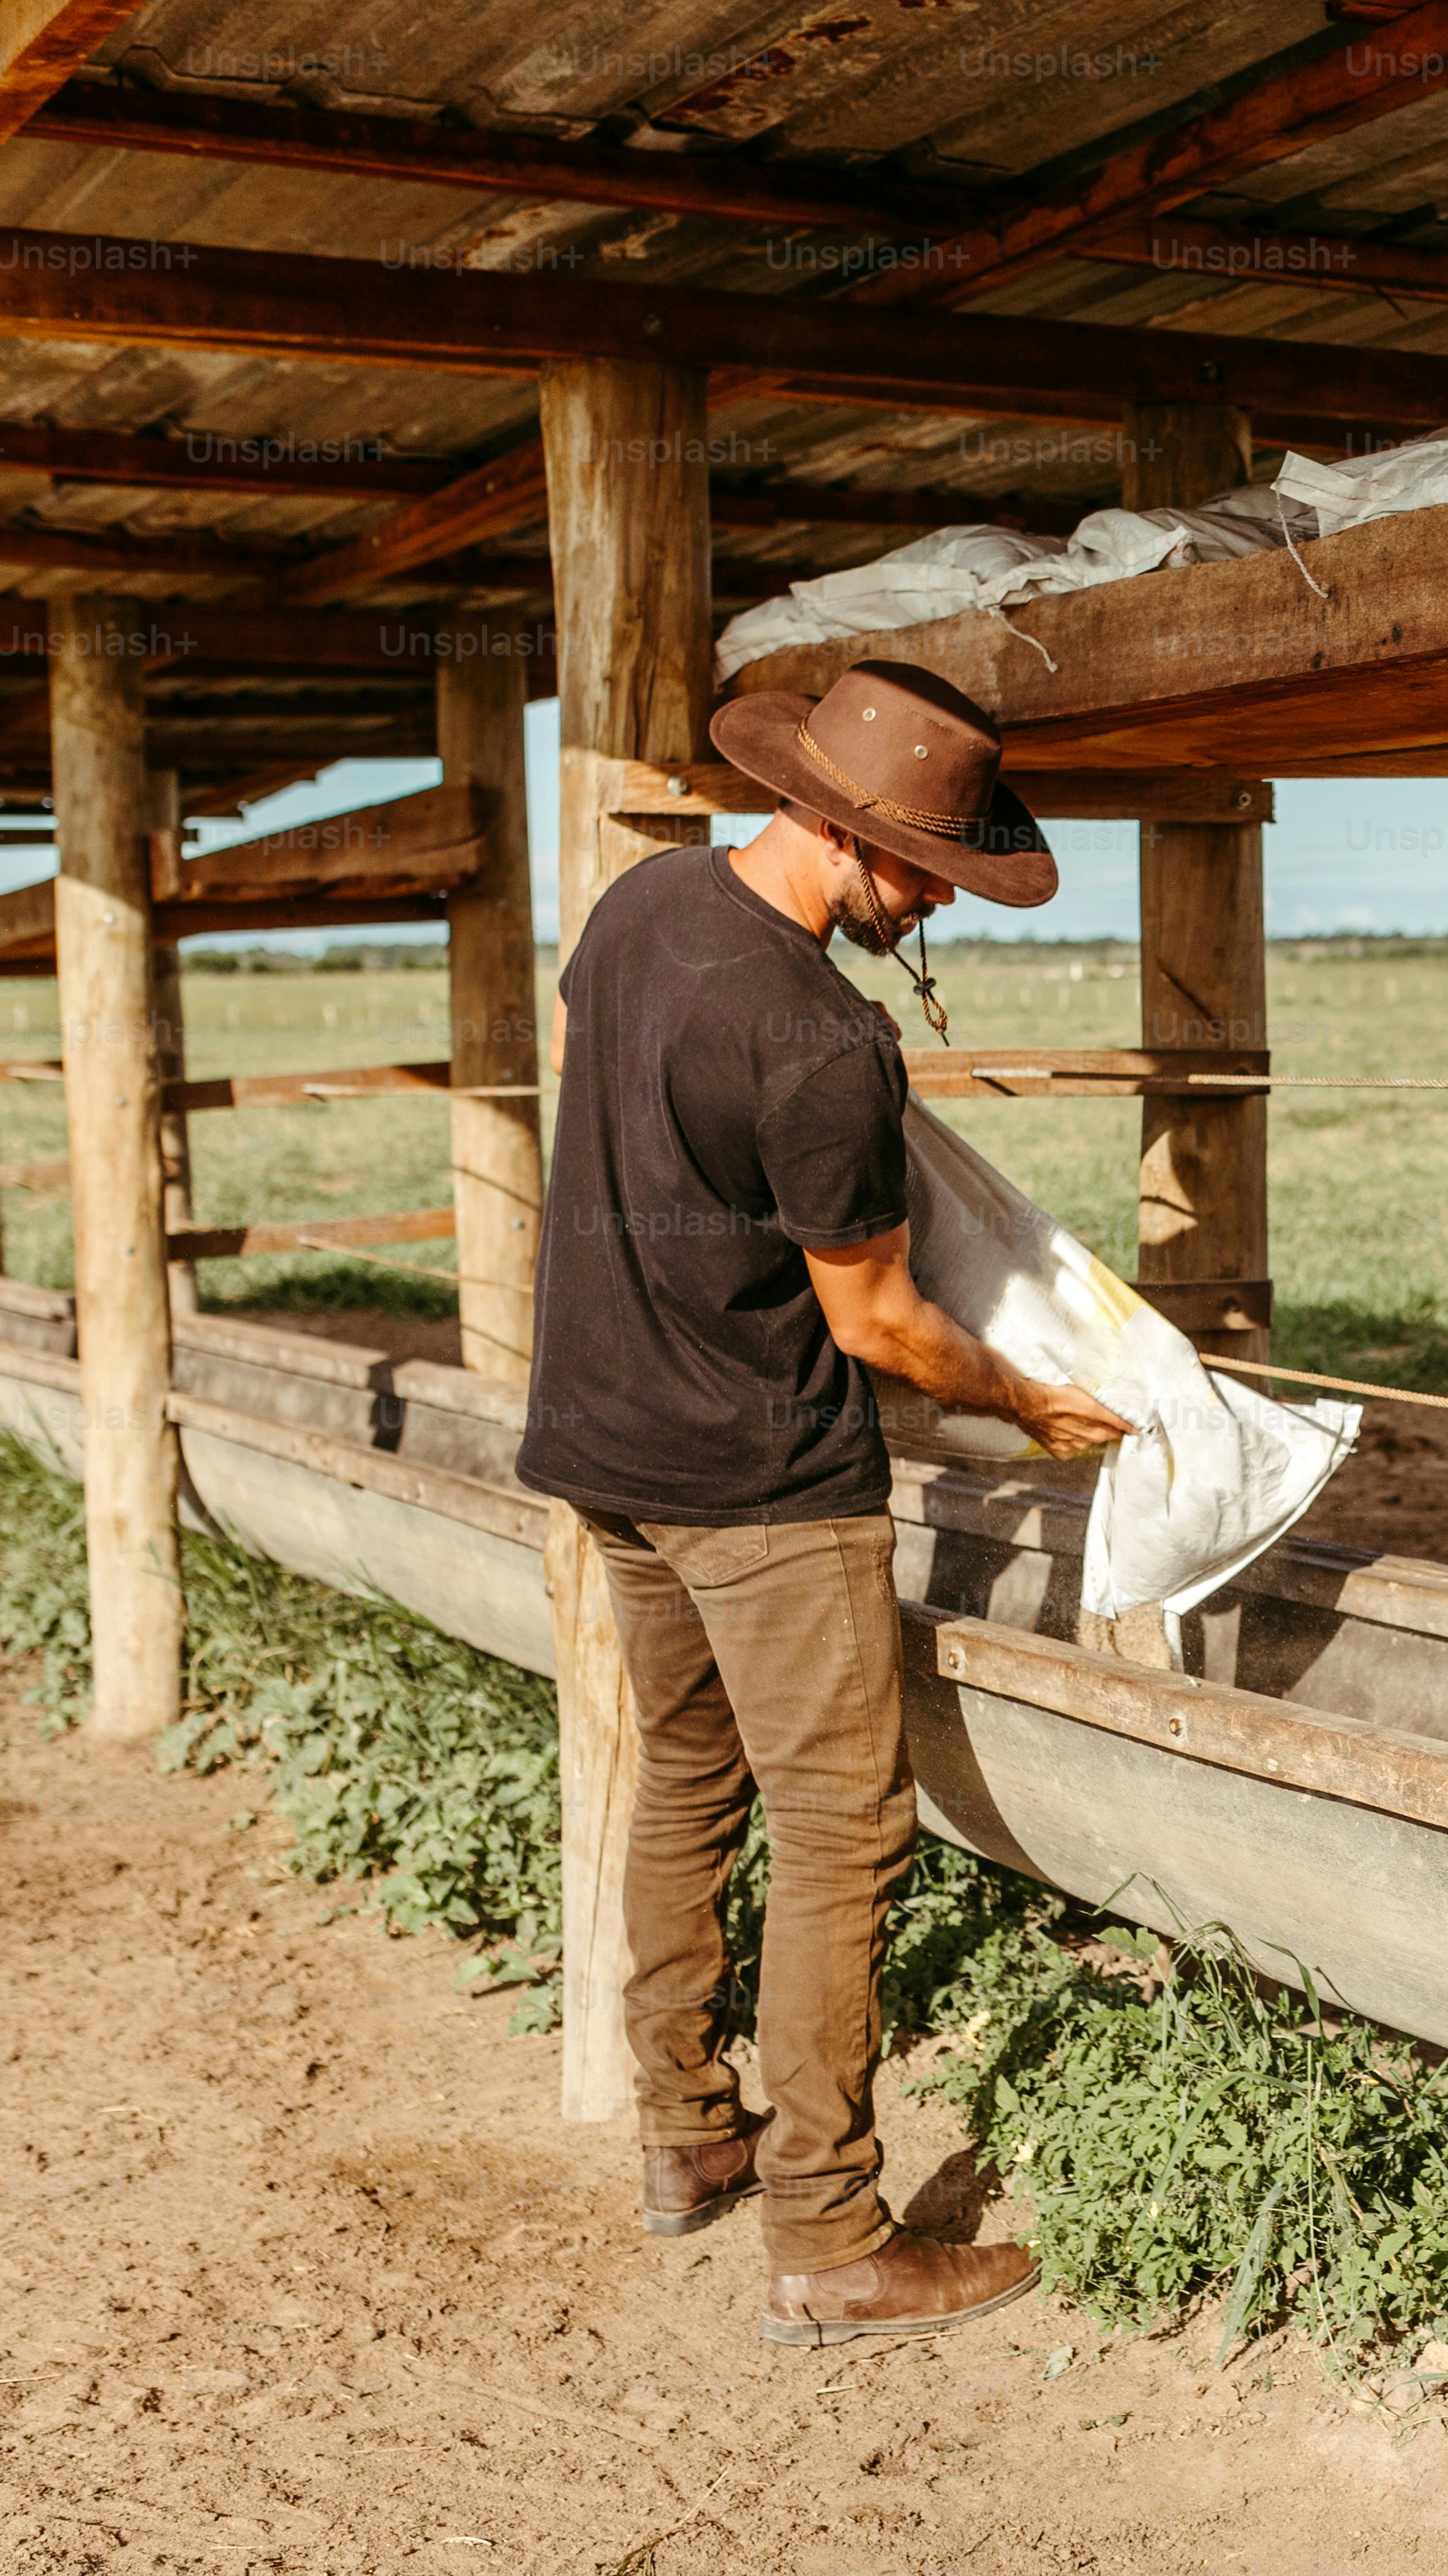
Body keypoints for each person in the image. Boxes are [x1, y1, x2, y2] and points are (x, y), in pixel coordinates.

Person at [518, 660, 1131, 2346]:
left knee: (684, 1777)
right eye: (928, 867)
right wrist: (1023, 1393)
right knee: (845, 1830)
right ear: (848, 836)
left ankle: (684, 2125)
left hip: (607, 1441)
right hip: (762, 1479)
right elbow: (872, 1322)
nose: (938, 895)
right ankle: (831, 2229)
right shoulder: (818, 1038)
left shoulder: (643, 907)